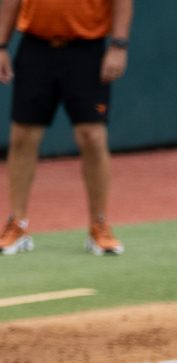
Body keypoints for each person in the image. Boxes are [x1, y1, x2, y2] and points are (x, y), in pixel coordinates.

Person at [0, 0, 132, 256]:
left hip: (87, 49)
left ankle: (99, 225)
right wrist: (2, 44)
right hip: (36, 47)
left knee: (92, 136)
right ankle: (17, 223)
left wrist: (119, 45)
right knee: (23, 135)